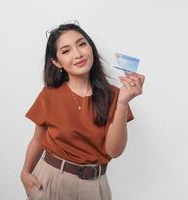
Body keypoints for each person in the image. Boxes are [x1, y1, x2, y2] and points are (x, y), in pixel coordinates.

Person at [20, 20, 145, 200]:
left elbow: (114, 151)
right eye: (66, 51)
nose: (77, 54)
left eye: (82, 44)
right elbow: (38, 139)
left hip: (94, 187)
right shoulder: (49, 95)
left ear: (91, 48)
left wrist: (123, 104)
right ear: (57, 62)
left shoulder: (115, 96)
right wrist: (25, 172)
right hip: (50, 179)